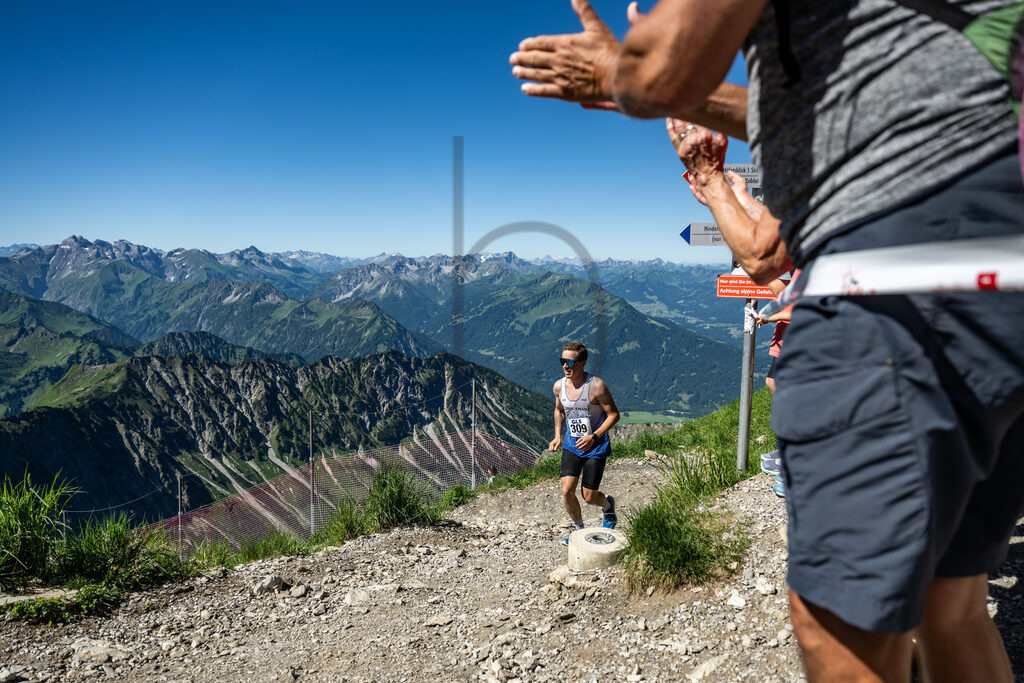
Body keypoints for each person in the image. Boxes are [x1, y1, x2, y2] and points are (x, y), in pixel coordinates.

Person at [515, 2, 1024, 680]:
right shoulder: (921, 71)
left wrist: (616, 74)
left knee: (844, 630)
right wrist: (707, 164)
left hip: (888, 294)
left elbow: (660, 68)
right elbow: (786, 211)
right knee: (951, 603)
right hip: (1006, 287)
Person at [547, 341, 620, 543]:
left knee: (589, 496)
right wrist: (557, 435)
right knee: (566, 491)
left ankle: (607, 505)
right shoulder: (559, 386)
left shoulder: (596, 386)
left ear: (582, 362)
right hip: (572, 444)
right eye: (562, 361)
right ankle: (578, 530)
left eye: (570, 362)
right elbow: (559, 410)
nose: (565, 366)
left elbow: (614, 415)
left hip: (595, 447)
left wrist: (593, 436)